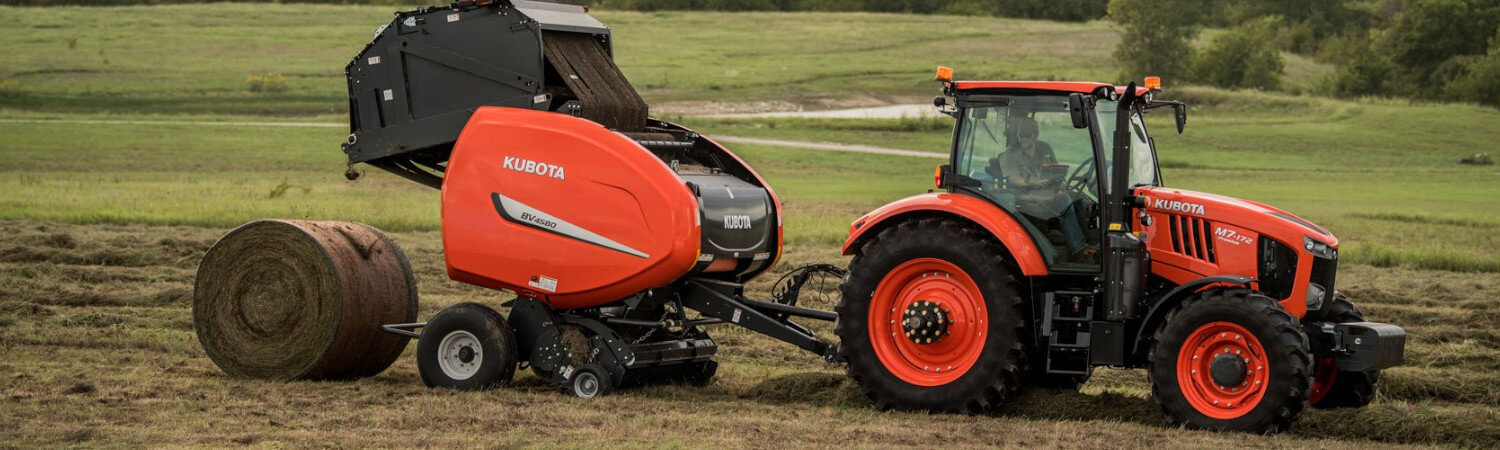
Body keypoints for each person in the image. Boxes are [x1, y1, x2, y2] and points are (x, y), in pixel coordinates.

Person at [989, 116, 1096, 261]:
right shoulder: (1010, 155)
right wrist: (1035, 182)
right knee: (1064, 200)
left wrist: (1058, 181)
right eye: (1020, 136)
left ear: (1034, 135)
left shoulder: (1045, 148)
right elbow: (1014, 179)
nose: (1021, 139)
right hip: (1026, 197)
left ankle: (1092, 244)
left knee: (1080, 198)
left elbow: (1055, 168)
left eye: (1026, 136)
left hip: (1048, 192)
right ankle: (1078, 248)